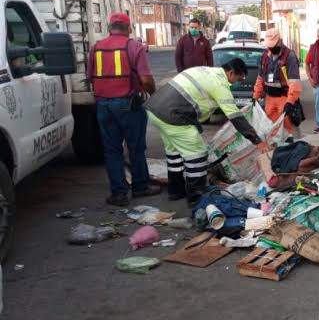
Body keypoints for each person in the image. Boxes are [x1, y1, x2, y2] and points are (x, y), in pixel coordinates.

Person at [145, 59, 269, 205]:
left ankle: (175, 192)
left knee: (174, 154)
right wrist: (257, 141)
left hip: (155, 111)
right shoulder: (220, 84)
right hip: (174, 116)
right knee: (197, 154)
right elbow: (236, 117)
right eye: (239, 78)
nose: (238, 82)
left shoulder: (205, 71)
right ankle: (196, 198)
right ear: (231, 73)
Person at [86, 12, 161, 207]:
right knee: (135, 147)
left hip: (103, 105)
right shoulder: (133, 46)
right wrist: (153, 93)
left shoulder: (96, 48)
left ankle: (119, 193)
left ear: (110, 28)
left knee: (112, 150)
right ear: (128, 28)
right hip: (128, 105)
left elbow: (90, 77)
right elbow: (145, 79)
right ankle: (140, 187)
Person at [253, 28, 302, 133]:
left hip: (284, 98)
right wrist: (256, 96)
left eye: (273, 44)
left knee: (287, 130)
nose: (271, 47)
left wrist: (290, 102)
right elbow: (260, 78)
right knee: (271, 131)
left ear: (280, 40)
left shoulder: (290, 56)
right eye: (269, 45)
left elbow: (294, 83)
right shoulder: (265, 57)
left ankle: (289, 147)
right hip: (270, 98)